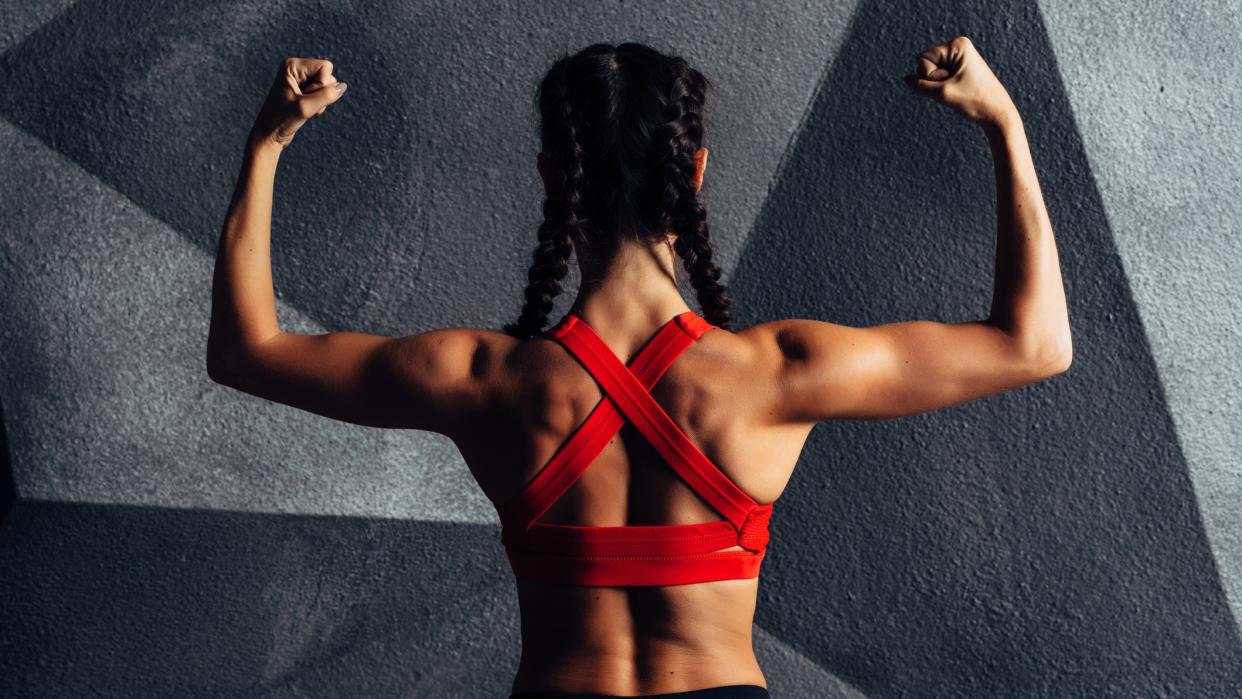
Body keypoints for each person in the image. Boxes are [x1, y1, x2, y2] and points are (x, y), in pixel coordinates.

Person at [207, 36, 1070, 699]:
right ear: (694, 172)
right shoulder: (778, 372)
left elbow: (249, 351)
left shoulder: (483, 379)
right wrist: (1004, 122)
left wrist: (267, 145)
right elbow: (1036, 344)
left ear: (554, 179)